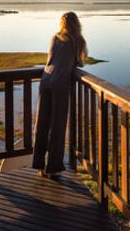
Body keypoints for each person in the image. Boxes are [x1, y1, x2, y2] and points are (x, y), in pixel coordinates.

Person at [32, 11, 88, 178]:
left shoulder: (55, 37)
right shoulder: (78, 40)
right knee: (57, 125)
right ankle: (53, 168)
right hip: (61, 84)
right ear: (77, 23)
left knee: (42, 123)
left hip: (46, 80)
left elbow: (51, 58)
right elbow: (80, 61)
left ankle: (40, 166)